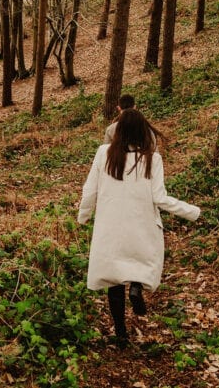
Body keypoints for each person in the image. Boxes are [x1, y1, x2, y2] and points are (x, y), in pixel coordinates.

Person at [77, 108, 200, 348]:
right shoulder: (152, 158)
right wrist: (193, 211)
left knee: (113, 280)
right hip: (141, 224)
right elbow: (160, 198)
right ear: (144, 131)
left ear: (118, 130)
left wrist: (83, 216)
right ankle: (135, 287)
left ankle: (121, 332)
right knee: (137, 263)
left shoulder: (104, 153)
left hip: (110, 226)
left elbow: (89, 190)